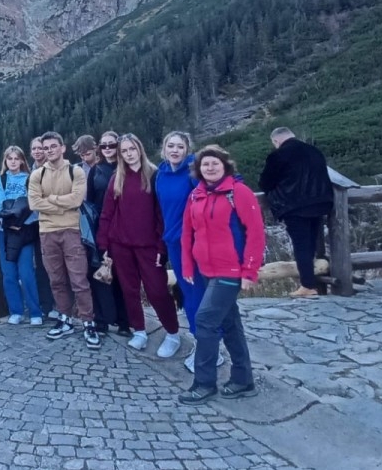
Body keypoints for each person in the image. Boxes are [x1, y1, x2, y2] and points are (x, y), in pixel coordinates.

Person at [179, 145, 265, 404]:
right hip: (206, 270)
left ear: (225, 165)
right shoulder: (196, 195)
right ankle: (243, 379)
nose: (210, 167)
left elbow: (256, 233)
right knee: (229, 324)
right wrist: (186, 266)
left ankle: (204, 384)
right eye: (205, 164)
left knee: (205, 321)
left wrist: (250, 270)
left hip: (230, 270)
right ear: (198, 168)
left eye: (215, 163)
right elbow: (187, 233)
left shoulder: (238, 192)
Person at [97, 134, 182, 357]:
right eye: (124, 151)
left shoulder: (155, 175)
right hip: (121, 245)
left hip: (149, 246)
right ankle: (140, 331)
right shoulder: (117, 177)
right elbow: (107, 213)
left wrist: (161, 249)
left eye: (132, 149)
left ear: (140, 149)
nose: (128, 154)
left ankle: (172, 333)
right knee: (129, 290)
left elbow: (161, 215)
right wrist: (103, 243)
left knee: (158, 291)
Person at [29, 131, 100, 349]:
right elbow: (34, 204)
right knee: (56, 279)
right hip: (47, 233)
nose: (49, 150)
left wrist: (49, 200)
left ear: (62, 148)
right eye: (46, 147)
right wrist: (62, 204)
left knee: (79, 279)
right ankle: (65, 318)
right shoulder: (37, 175)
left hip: (71, 231)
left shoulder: (75, 171)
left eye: (53, 146)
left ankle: (88, 321)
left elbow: (77, 199)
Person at [156, 131, 219, 372]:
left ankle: (208, 348)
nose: (175, 150)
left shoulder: (194, 171)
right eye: (170, 146)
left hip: (193, 243)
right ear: (164, 149)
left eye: (180, 146)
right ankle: (202, 343)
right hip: (173, 243)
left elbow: (218, 186)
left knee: (197, 296)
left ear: (187, 149)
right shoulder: (161, 174)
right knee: (189, 293)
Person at [258, 127, 334, 298]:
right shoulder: (314, 151)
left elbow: (265, 182)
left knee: (301, 246)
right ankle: (313, 280)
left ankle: (308, 285)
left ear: (276, 141)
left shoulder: (279, 155)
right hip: (320, 203)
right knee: (312, 243)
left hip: (294, 206)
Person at [86, 131, 131, 337]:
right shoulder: (95, 171)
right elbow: (89, 203)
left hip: (125, 230)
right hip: (100, 229)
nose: (107, 150)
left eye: (111, 145)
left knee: (123, 276)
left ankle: (124, 321)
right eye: (103, 146)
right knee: (100, 275)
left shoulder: (129, 169)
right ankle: (102, 318)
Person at [0, 146, 43, 326]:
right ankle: (16, 311)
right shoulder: (0, 180)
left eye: (17, 158)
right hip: (4, 232)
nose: (13, 161)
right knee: (9, 273)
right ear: (5, 161)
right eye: (10, 158)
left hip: (25, 230)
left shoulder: (31, 178)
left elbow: (34, 204)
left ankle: (35, 312)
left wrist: (19, 218)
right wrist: (11, 217)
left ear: (22, 160)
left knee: (27, 271)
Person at [28, 136, 56, 318]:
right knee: (39, 265)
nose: (38, 151)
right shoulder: (28, 171)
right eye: (35, 148)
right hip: (33, 225)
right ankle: (45, 305)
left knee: (54, 265)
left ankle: (59, 305)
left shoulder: (54, 170)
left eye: (41, 148)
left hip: (53, 223)